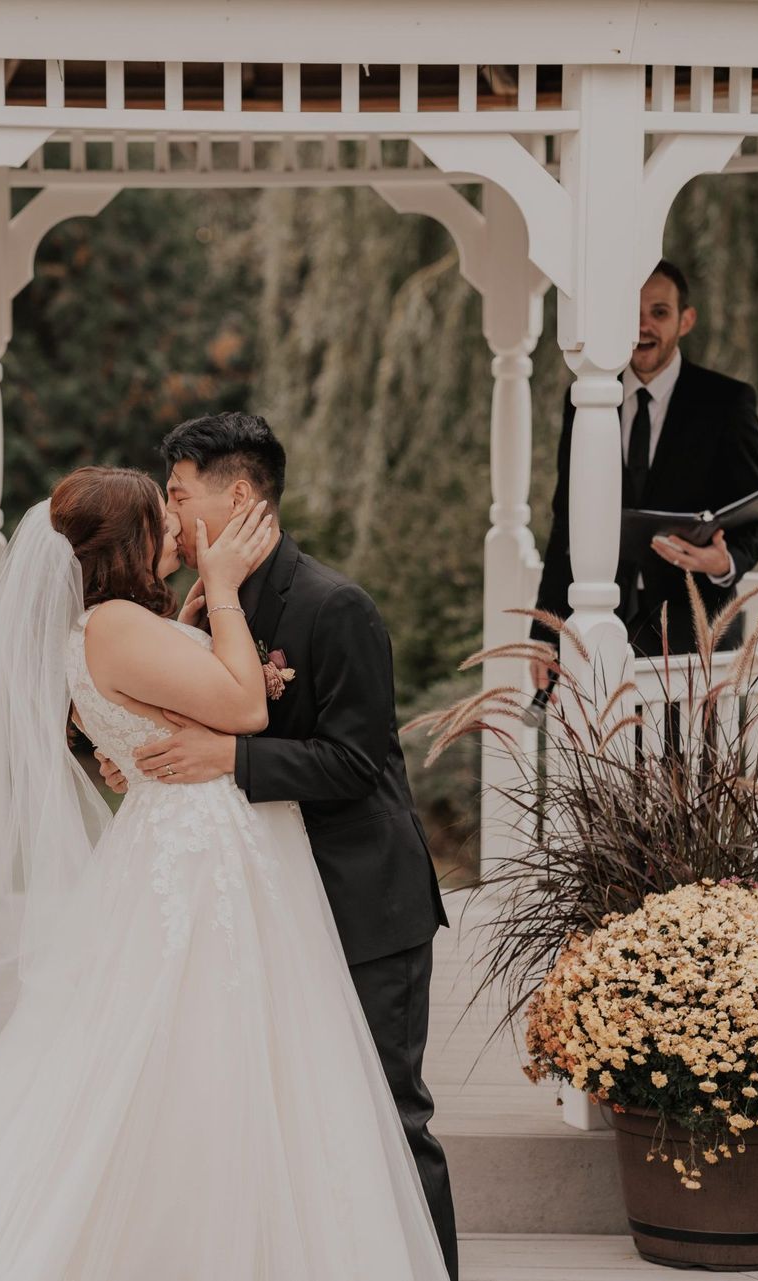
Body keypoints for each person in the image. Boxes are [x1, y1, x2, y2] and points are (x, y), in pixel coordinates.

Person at [0, 466, 450, 1280]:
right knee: (208, 1058)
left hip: (205, 848)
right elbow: (246, 708)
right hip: (201, 857)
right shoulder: (112, 626)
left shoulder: (122, 624)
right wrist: (224, 591)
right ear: (126, 543)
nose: (175, 527)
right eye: (160, 515)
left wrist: (190, 626)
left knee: (230, 1062)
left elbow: (175, 708)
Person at [99, 411, 461, 1279]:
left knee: (389, 1114)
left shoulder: (336, 606)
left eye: (180, 496)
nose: (172, 517)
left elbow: (354, 761)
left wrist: (228, 755)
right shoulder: (197, 607)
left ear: (243, 495)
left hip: (363, 899)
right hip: (267, 898)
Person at [530, 260, 758, 682]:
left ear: (686, 320)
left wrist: (722, 562)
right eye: (631, 314)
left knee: (689, 752)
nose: (643, 326)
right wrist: (546, 632)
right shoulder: (581, 399)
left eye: (659, 312)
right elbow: (567, 521)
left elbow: (757, 523)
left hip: (696, 635)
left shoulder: (727, 403)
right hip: (600, 633)